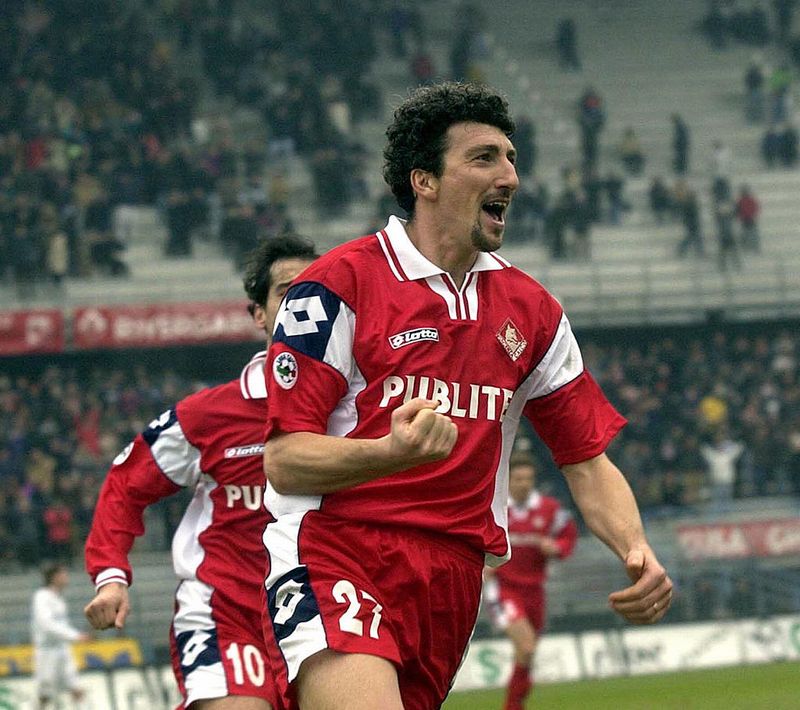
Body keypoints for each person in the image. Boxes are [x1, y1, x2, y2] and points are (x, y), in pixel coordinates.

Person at [260, 82, 673, 710]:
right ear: (424, 180)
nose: (510, 176)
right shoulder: (335, 287)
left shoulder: (533, 311)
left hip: (454, 574)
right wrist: (390, 453)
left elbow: (585, 461)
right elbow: (284, 460)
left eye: (511, 158)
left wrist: (635, 547)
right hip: (336, 547)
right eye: (484, 158)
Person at [84, 235, 318, 709]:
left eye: (314, 291)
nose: (301, 302)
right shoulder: (207, 416)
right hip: (226, 613)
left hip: (319, 614)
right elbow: (126, 482)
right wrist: (111, 575)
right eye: (286, 291)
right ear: (259, 314)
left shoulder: (359, 409)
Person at [483, 450, 578, 710]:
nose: (524, 483)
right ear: (508, 480)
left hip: (535, 590)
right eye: (518, 479)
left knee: (527, 653)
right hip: (504, 589)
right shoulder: (496, 508)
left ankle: (516, 703)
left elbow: (568, 536)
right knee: (525, 646)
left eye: (528, 478)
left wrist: (556, 547)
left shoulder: (549, 509)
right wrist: (483, 563)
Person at [31, 563, 90, 709]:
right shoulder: (42, 597)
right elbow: (46, 624)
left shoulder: (59, 598)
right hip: (47, 651)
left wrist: (74, 636)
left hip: (63, 649)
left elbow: (61, 624)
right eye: (63, 574)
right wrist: (75, 636)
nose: (66, 577)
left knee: (76, 687)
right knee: (44, 695)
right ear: (54, 577)